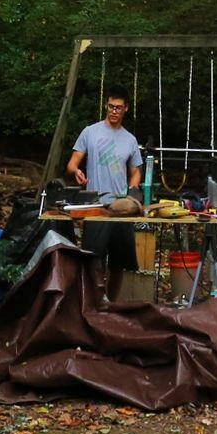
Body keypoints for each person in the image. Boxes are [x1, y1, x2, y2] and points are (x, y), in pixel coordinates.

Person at [67, 96, 146, 292]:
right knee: (94, 261)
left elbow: (136, 170)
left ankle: (110, 304)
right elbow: (72, 163)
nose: (114, 111)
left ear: (126, 109)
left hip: (121, 208)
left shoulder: (130, 140)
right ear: (106, 106)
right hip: (96, 206)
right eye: (111, 107)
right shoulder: (90, 132)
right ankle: (94, 303)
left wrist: (132, 192)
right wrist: (77, 171)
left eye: (118, 107)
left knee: (118, 264)